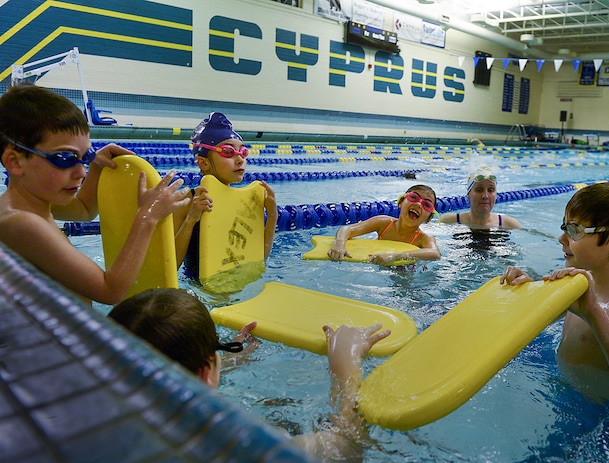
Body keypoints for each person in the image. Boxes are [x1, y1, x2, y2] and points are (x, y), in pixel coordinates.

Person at [108, 288, 390, 462]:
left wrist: (233, 359)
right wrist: (345, 366)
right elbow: (348, 447)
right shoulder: (240, 450)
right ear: (205, 372)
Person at [0, 84, 190, 305]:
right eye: (65, 158)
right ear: (15, 162)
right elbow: (110, 291)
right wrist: (148, 216)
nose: (81, 171)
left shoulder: (31, 202)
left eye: (86, 156)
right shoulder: (22, 223)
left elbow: (84, 210)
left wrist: (98, 166)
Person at [500, 176, 609, 417]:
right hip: (563, 397)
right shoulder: (580, 283)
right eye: (565, 227)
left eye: (574, 230)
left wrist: (594, 315)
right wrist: (525, 289)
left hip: (599, 417)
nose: (562, 239)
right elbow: (530, 320)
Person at [173, 112, 277, 278]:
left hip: (237, 286)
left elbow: (258, 259)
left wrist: (272, 216)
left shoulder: (243, 202)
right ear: (203, 162)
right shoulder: (187, 202)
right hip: (201, 291)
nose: (239, 159)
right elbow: (172, 266)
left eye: (242, 152)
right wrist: (191, 219)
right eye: (228, 152)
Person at [327, 184, 441, 265]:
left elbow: (434, 253)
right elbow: (348, 229)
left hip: (408, 271)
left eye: (427, 205)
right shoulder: (383, 223)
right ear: (401, 202)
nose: (418, 204)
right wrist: (339, 244)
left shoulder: (423, 238)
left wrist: (396, 255)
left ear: (429, 218)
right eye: (413, 197)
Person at [439, 166, 522, 230]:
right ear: (468, 194)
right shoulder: (449, 221)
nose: (485, 196)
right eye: (479, 190)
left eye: (490, 190)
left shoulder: (508, 224)